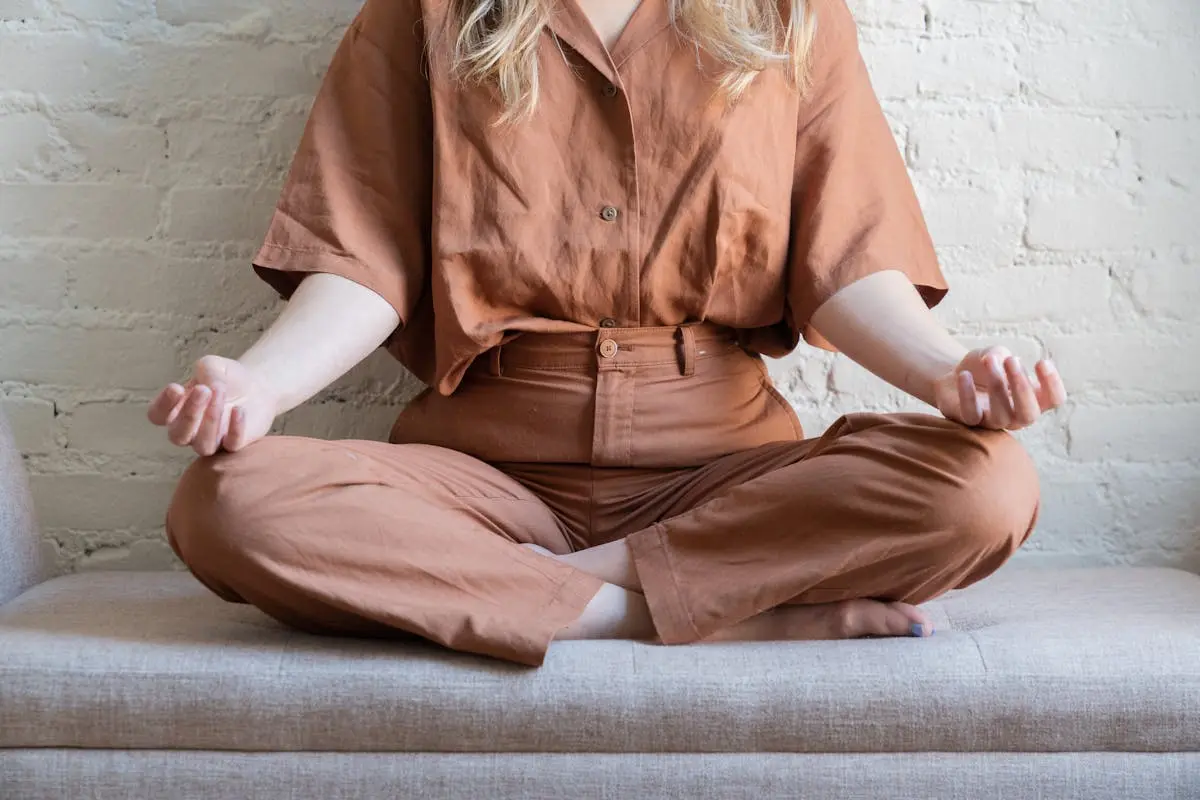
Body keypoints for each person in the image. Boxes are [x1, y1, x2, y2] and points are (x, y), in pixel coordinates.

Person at [149, 0, 1066, 666]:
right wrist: (259, 386)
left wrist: (948, 374)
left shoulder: (791, 15)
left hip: (727, 478)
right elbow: (363, 258)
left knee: (982, 489)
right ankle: (677, 614)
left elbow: (847, 261)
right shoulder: (423, 11)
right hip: (483, 480)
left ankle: (531, 588)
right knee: (227, 503)